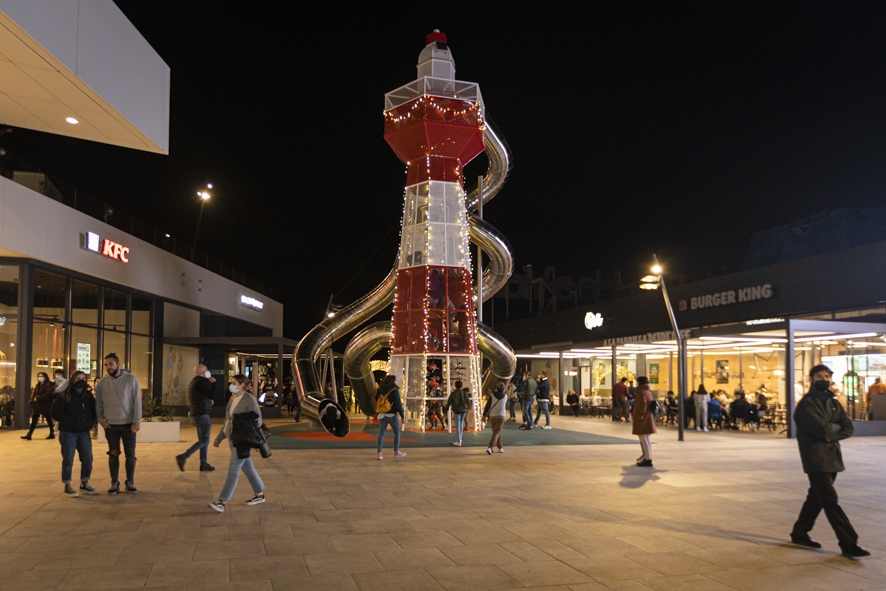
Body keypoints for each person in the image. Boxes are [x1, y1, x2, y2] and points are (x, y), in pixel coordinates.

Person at [789, 364, 869, 560]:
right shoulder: (806, 405)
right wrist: (833, 430)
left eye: (827, 376)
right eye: (819, 376)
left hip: (832, 456)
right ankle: (848, 543)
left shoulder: (833, 402)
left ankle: (800, 532)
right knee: (829, 500)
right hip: (815, 458)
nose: (823, 379)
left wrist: (829, 432)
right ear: (811, 379)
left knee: (816, 496)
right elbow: (821, 429)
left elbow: (848, 427)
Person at [209, 375, 266, 512]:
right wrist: (220, 437)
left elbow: (257, 421)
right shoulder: (232, 398)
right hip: (233, 439)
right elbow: (227, 421)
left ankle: (222, 501)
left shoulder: (249, 400)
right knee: (247, 467)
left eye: (234, 383)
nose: (231, 385)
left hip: (243, 441)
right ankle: (259, 494)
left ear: (242, 385)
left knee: (233, 470)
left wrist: (237, 422)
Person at [95, 353, 141, 495]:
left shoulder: (132, 380)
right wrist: (101, 420)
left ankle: (130, 482)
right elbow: (99, 402)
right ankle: (114, 482)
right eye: (106, 365)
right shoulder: (102, 382)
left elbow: (137, 401)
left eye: (111, 364)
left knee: (130, 455)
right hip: (111, 425)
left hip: (128, 425)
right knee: (113, 454)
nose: (108, 367)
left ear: (118, 364)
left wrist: (136, 421)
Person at [51, 371, 97, 498]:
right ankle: (67, 484)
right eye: (78, 378)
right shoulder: (65, 395)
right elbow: (55, 412)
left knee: (88, 458)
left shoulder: (88, 396)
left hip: (84, 432)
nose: (80, 380)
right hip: (68, 433)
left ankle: (84, 483)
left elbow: (94, 411)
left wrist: (90, 423)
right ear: (73, 380)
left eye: (83, 378)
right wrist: (69, 420)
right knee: (68, 459)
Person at [176, 364, 217, 472]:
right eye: (206, 370)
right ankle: (183, 456)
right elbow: (210, 394)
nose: (208, 371)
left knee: (203, 440)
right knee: (205, 440)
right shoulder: (199, 382)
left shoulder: (195, 382)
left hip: (196, 414)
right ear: (201, 372)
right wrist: (214, 383)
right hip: (201, 415)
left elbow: (203, 396)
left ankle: (203, 463)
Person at [375, 375, 406, 460]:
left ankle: (379, 454)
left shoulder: (380, 390)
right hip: (392, 415)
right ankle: (396, 452)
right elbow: (398, 404)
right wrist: (403, 416)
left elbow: (376, 401)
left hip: (382, 414)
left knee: (381, 434)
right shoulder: (394, 391)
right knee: (397, 433)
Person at [22, 371, 56, 440]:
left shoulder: (48, 384)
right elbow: (35, 394)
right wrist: (33, 400)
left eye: (42, 376)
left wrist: (38, 398)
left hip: (46, 405)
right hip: (38, 405)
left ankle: (52, 432)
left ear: (45, 377)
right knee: (34, 419)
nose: (40, 378)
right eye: (39, 376)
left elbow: (48, 394)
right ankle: (29, 434)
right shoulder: (38, 385)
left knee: (48, 419)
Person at [632, 376, 656, 467]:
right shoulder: (648, 391)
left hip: (643, 418)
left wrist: (639, 416)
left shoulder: (641, 392)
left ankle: (648, 459)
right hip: (648, 417)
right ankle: (648, 457)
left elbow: (642, 406)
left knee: (643, 439)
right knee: (647, 439)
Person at [483, 382, 507, 454]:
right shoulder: (505, 396)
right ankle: (494, 447)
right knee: (496, 432)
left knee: (496, 432)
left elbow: (487, 406)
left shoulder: (492, 396)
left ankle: (496, 447)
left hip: (492, 416)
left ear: (496, 388)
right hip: (501, 416)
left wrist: (484, 415)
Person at [446, 380, 470, 445]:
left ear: (455, 386)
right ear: (461, 385)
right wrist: (468, 408)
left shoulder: (453, 394)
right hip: (464, 410)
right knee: (461, 424)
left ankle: (458, 440)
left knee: (458, 425)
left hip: (457, 410)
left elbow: (449, 402)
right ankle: (460, 439)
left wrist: (446, 410)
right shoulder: (464, 393)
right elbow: (468, 401)